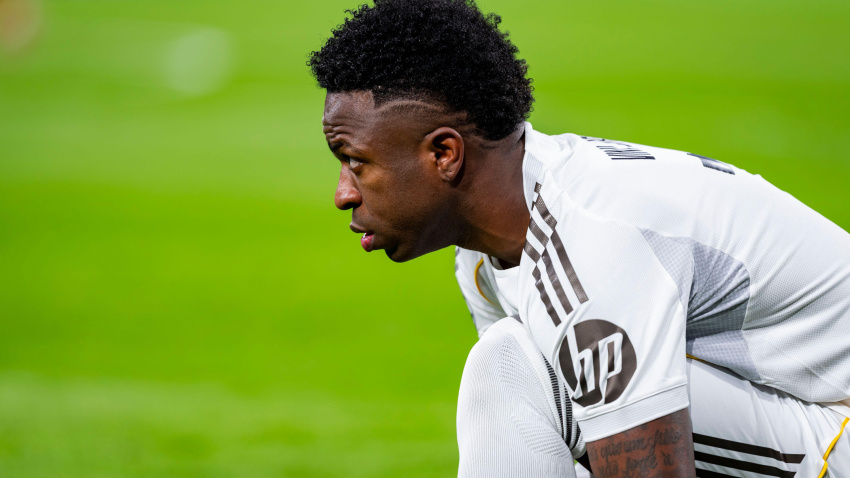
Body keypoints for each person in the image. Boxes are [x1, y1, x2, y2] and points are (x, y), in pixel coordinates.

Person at [308, 0, 850, 475]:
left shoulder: (595, 236)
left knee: (516, 366)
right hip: (800, 416)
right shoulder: (484, 257)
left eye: (356, 162)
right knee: (522, 367)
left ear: (444, 154)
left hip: (835, 421)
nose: (343, 194)